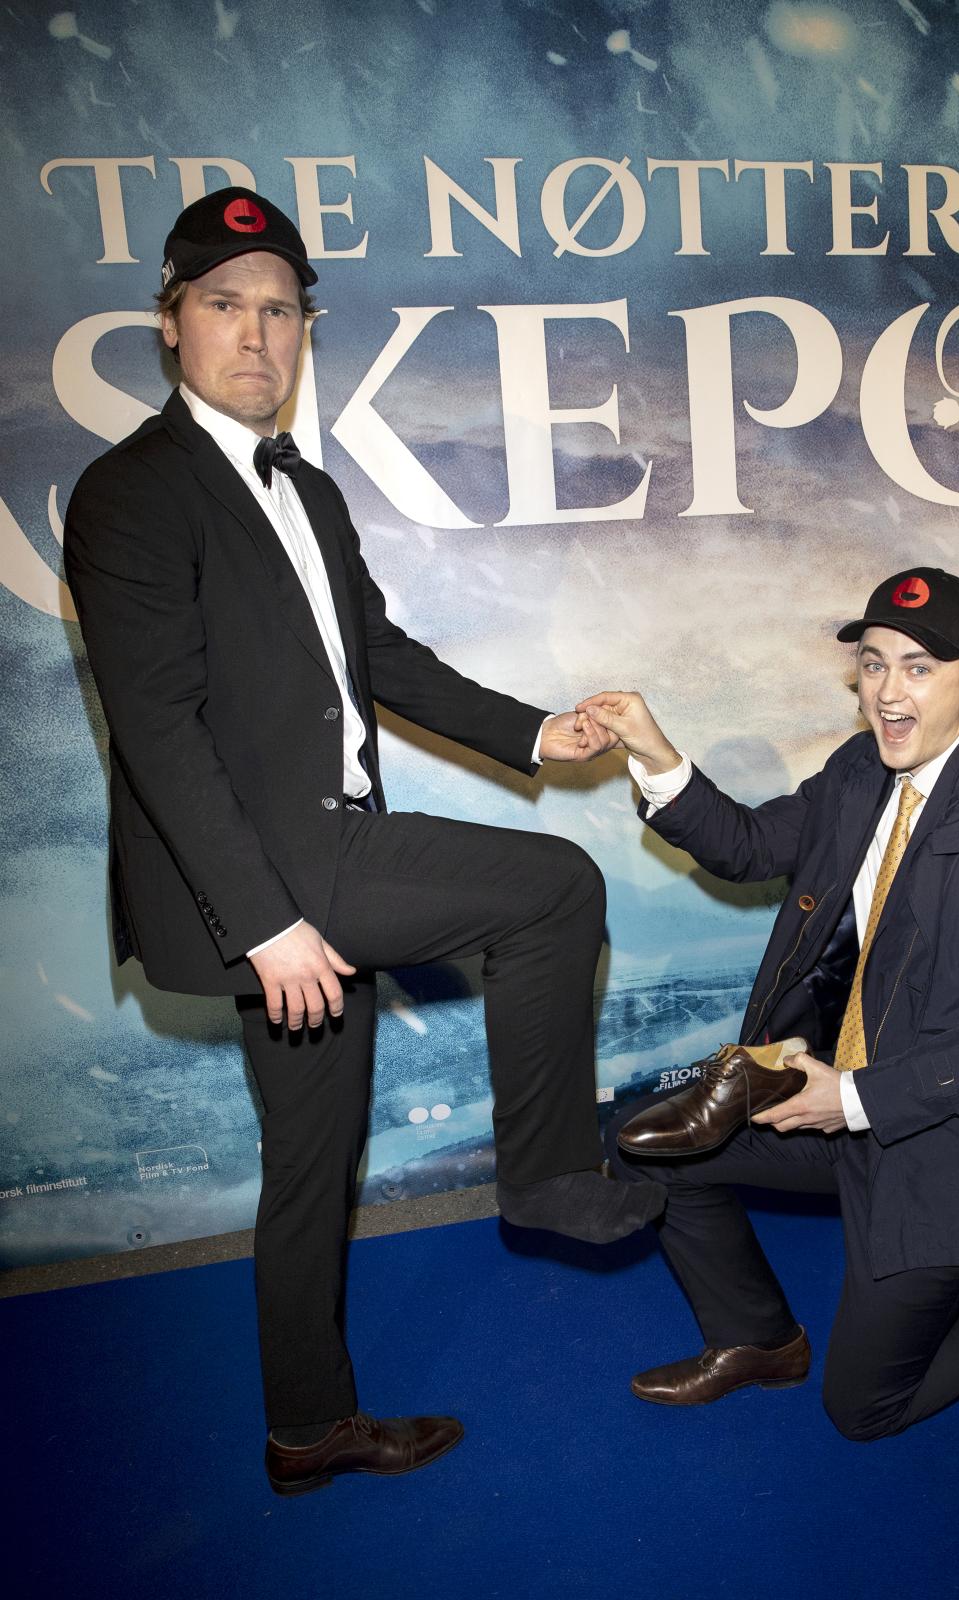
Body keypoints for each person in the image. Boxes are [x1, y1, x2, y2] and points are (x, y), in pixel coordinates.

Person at [63, 187, 661, 1496]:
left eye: (280, 311)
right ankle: (549, 1177)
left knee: (309, 1162)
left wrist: (533, 731)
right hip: (271, 878)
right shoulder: (130, 493)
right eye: (226, 304)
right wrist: (266, 924)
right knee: (556, 886)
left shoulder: (310, 491)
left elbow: (378, 657)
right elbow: (157, 729)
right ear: (170, 324)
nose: (256, 334)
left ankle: (306, 1428)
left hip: (321, 855)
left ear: (303, 331)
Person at [578, 568, 959, 1440]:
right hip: (836, 1102)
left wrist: (857, 1098)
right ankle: (757, 1340)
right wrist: (653, 751)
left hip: (949, 1145)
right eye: (873, 665)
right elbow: (748, 846)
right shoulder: (856, 771)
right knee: (642, 1144)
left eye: (918, 668)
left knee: (864, 1409)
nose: (888, 692)